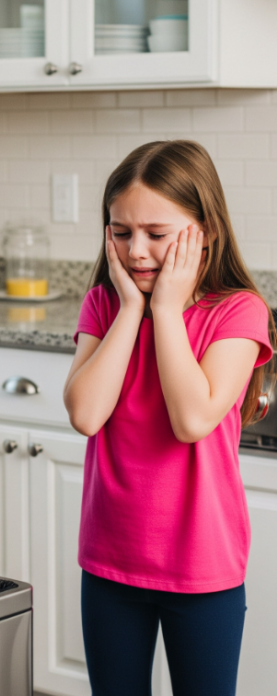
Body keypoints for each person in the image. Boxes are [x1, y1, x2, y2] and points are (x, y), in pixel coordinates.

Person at [63, 140, 275, 696]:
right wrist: (133, 308)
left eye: (157, 235)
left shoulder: (237, 312)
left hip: (202, 569)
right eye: (120, 231)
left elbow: (192, 418)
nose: (136, 251)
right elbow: (85, 414)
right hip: (110, 562)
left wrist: (162, 309)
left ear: (203, 230)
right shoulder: (106, 306)